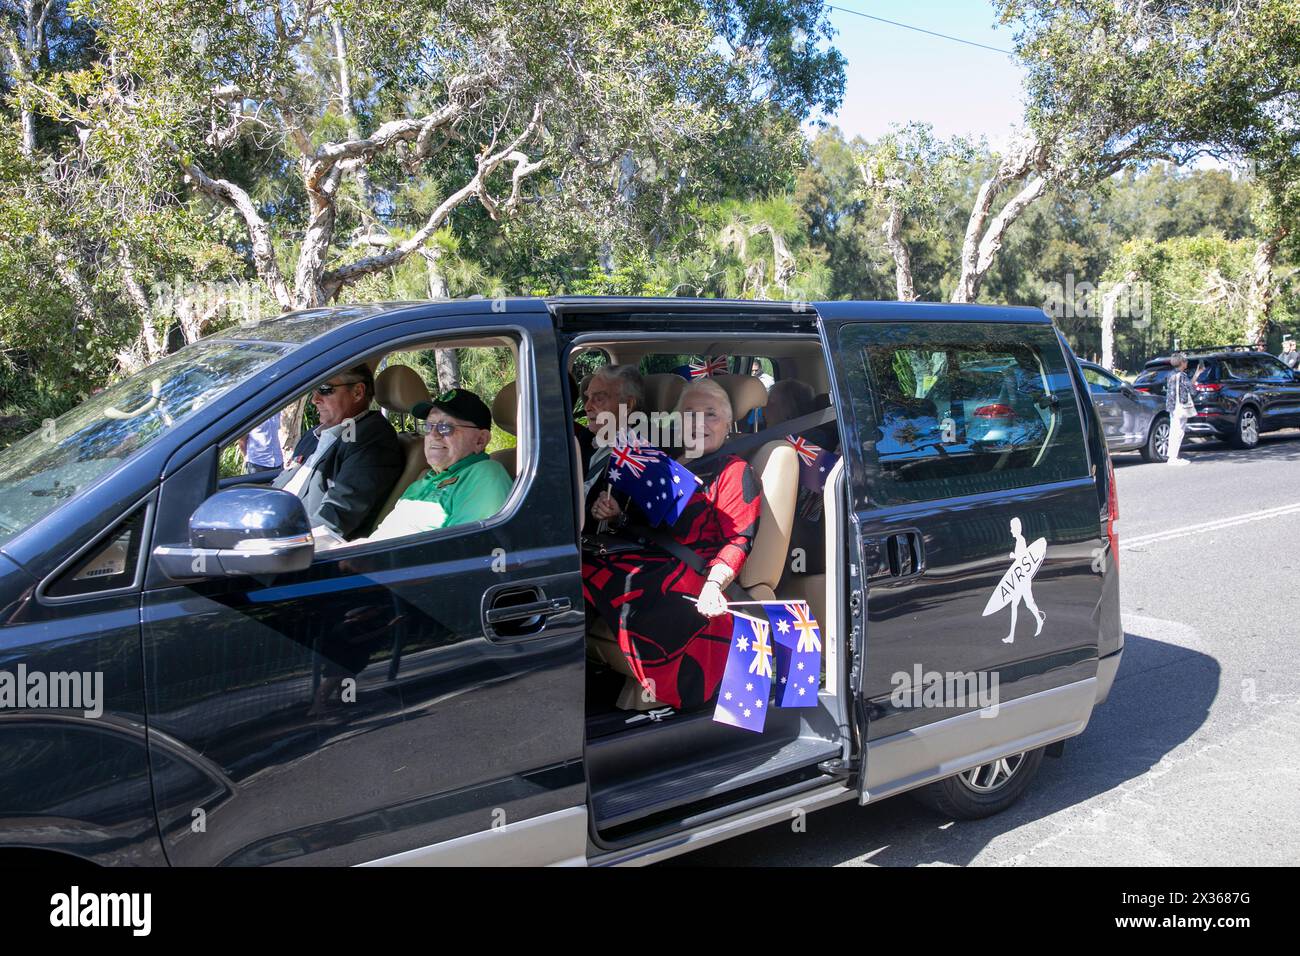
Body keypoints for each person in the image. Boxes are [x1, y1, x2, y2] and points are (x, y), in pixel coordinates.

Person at [583, 377, 761, 711]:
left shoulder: (735, 470)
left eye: (711, 414)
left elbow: (738, 539)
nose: (700, 423)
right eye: (690, 414)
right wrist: (617, 513)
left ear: (727, 424)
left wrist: (713, 586)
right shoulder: (666, 462)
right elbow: (651, 522)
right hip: (651, 558)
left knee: (602, 574)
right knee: (574, 564)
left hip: (696, 575)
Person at [273, 364, 404, 542]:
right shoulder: (314, 435)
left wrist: (277, 541)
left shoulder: (371, 437)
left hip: (303, 547)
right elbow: (283, 482)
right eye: (313, 390)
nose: (314, 399)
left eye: (325, 389)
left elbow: (335, 516)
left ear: (358, 392)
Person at [363, 388, 513, 542]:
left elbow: (466, 550)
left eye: (446, 427)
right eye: (428, 426)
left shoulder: (484, 475)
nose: (433, 435)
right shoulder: (423, 480)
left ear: (480, 440)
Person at [1164, 351, 1203, 466]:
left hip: (1172, 406)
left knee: (1173, 430)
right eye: (1185, 361)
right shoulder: (1182, 376)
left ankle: (1172, 456)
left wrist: (1197, 374)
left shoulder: (1171, 374)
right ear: (1181, 363)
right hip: (1180, 406)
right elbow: (1192, 390)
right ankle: (1173, 458)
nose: (1187, 363)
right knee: (1179, 431)